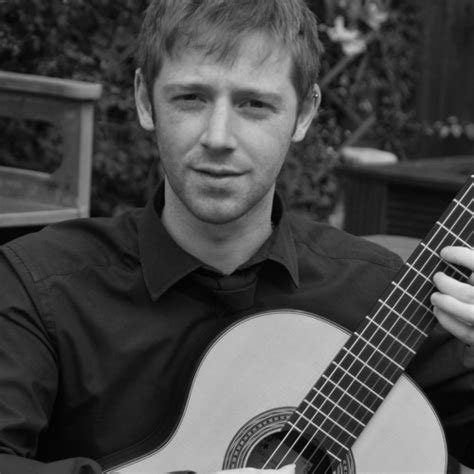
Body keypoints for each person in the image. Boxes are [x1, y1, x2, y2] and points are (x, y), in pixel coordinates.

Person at [0, 0, 473, 473]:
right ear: (145, 100)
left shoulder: (384, 298)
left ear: (304, 113)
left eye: (255, 105)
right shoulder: (39, 288)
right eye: (191, 98)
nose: (219, 136)